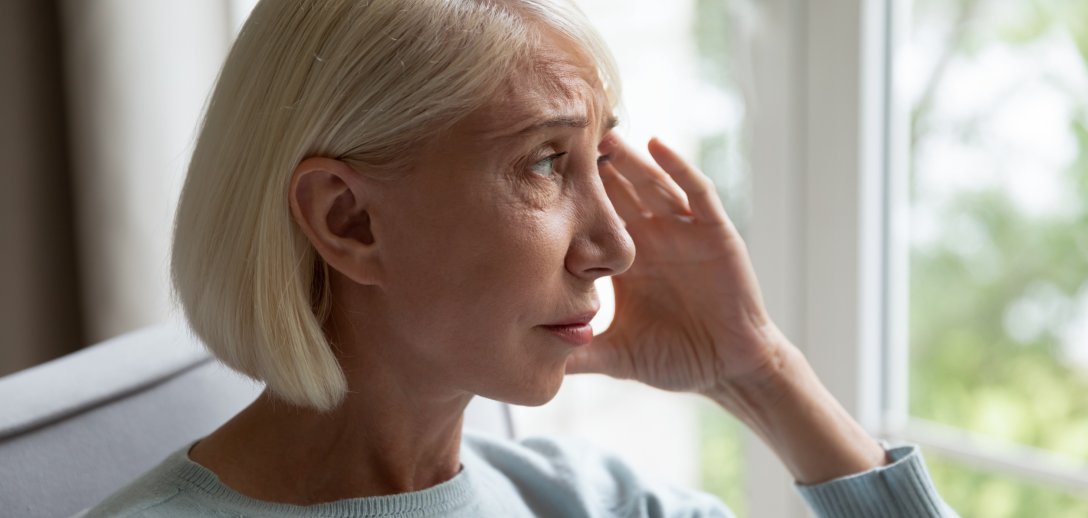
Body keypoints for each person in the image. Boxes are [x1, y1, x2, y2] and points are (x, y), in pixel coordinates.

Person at [85, 0, 957, 516]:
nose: (616, 247)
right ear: (348, 220)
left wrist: (760, 370)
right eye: (545, 162)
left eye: (600, 159)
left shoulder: (584, 499)